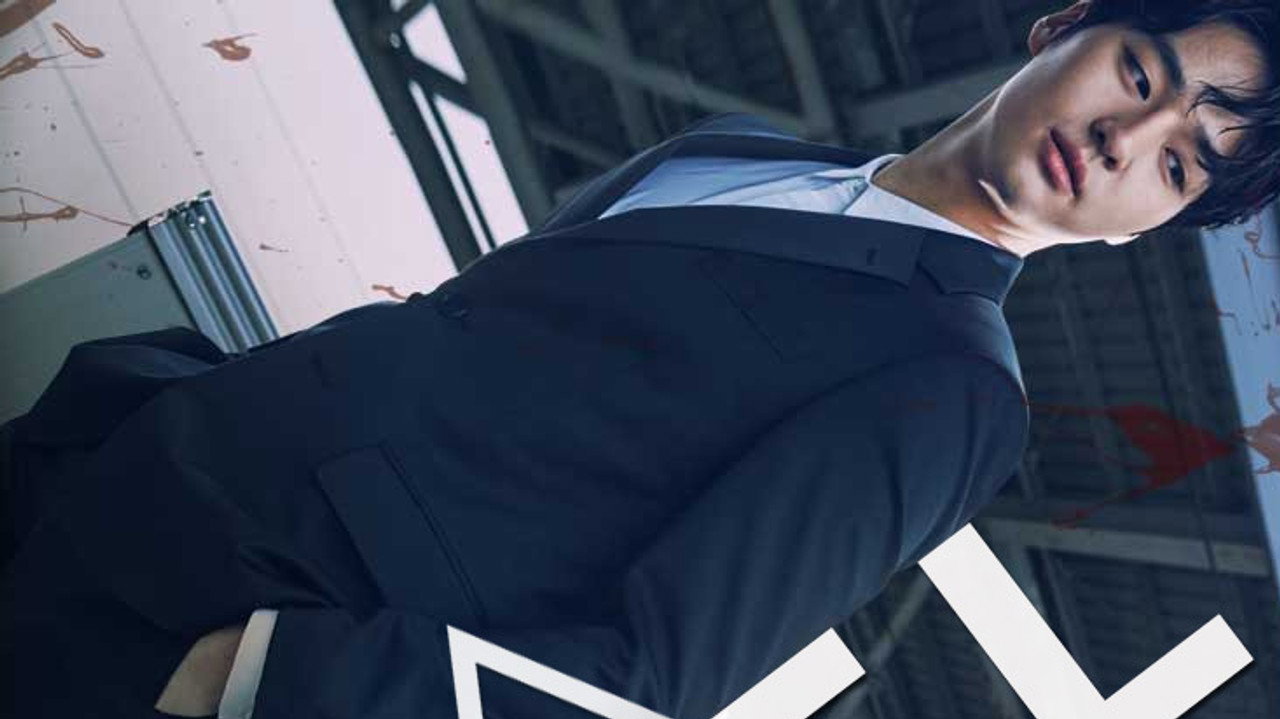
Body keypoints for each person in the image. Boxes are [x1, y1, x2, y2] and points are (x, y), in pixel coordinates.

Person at [2, 1, 1276, 717]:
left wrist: (258, 680)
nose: (1121, 140)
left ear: (1144, 227)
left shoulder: (956, 391)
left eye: (1174, 164)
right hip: (144, 449)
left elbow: (657, 674)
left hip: (219, 622)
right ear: (1063, 26)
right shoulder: (733, 147)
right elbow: (478, 328)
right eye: (1138, 72)